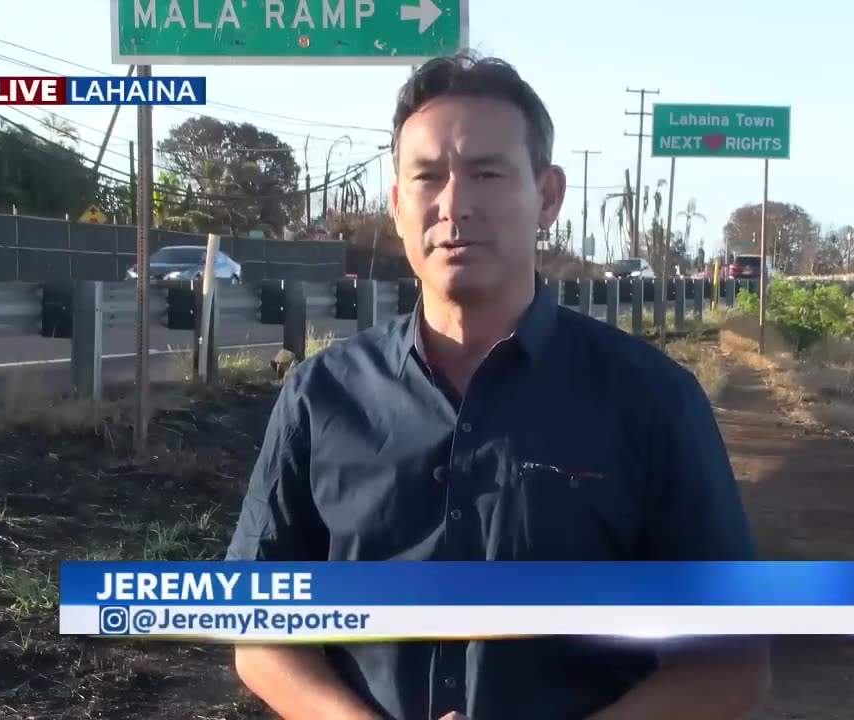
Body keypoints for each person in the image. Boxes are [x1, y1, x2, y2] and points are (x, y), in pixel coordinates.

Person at [226, 50, 770, 720]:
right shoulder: (323, 396)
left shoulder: (650, 399)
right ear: (397, 205)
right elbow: (257, 629)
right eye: (428, 178)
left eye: (487, 173)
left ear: (546, 196)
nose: (455, 205)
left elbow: (729, 664)